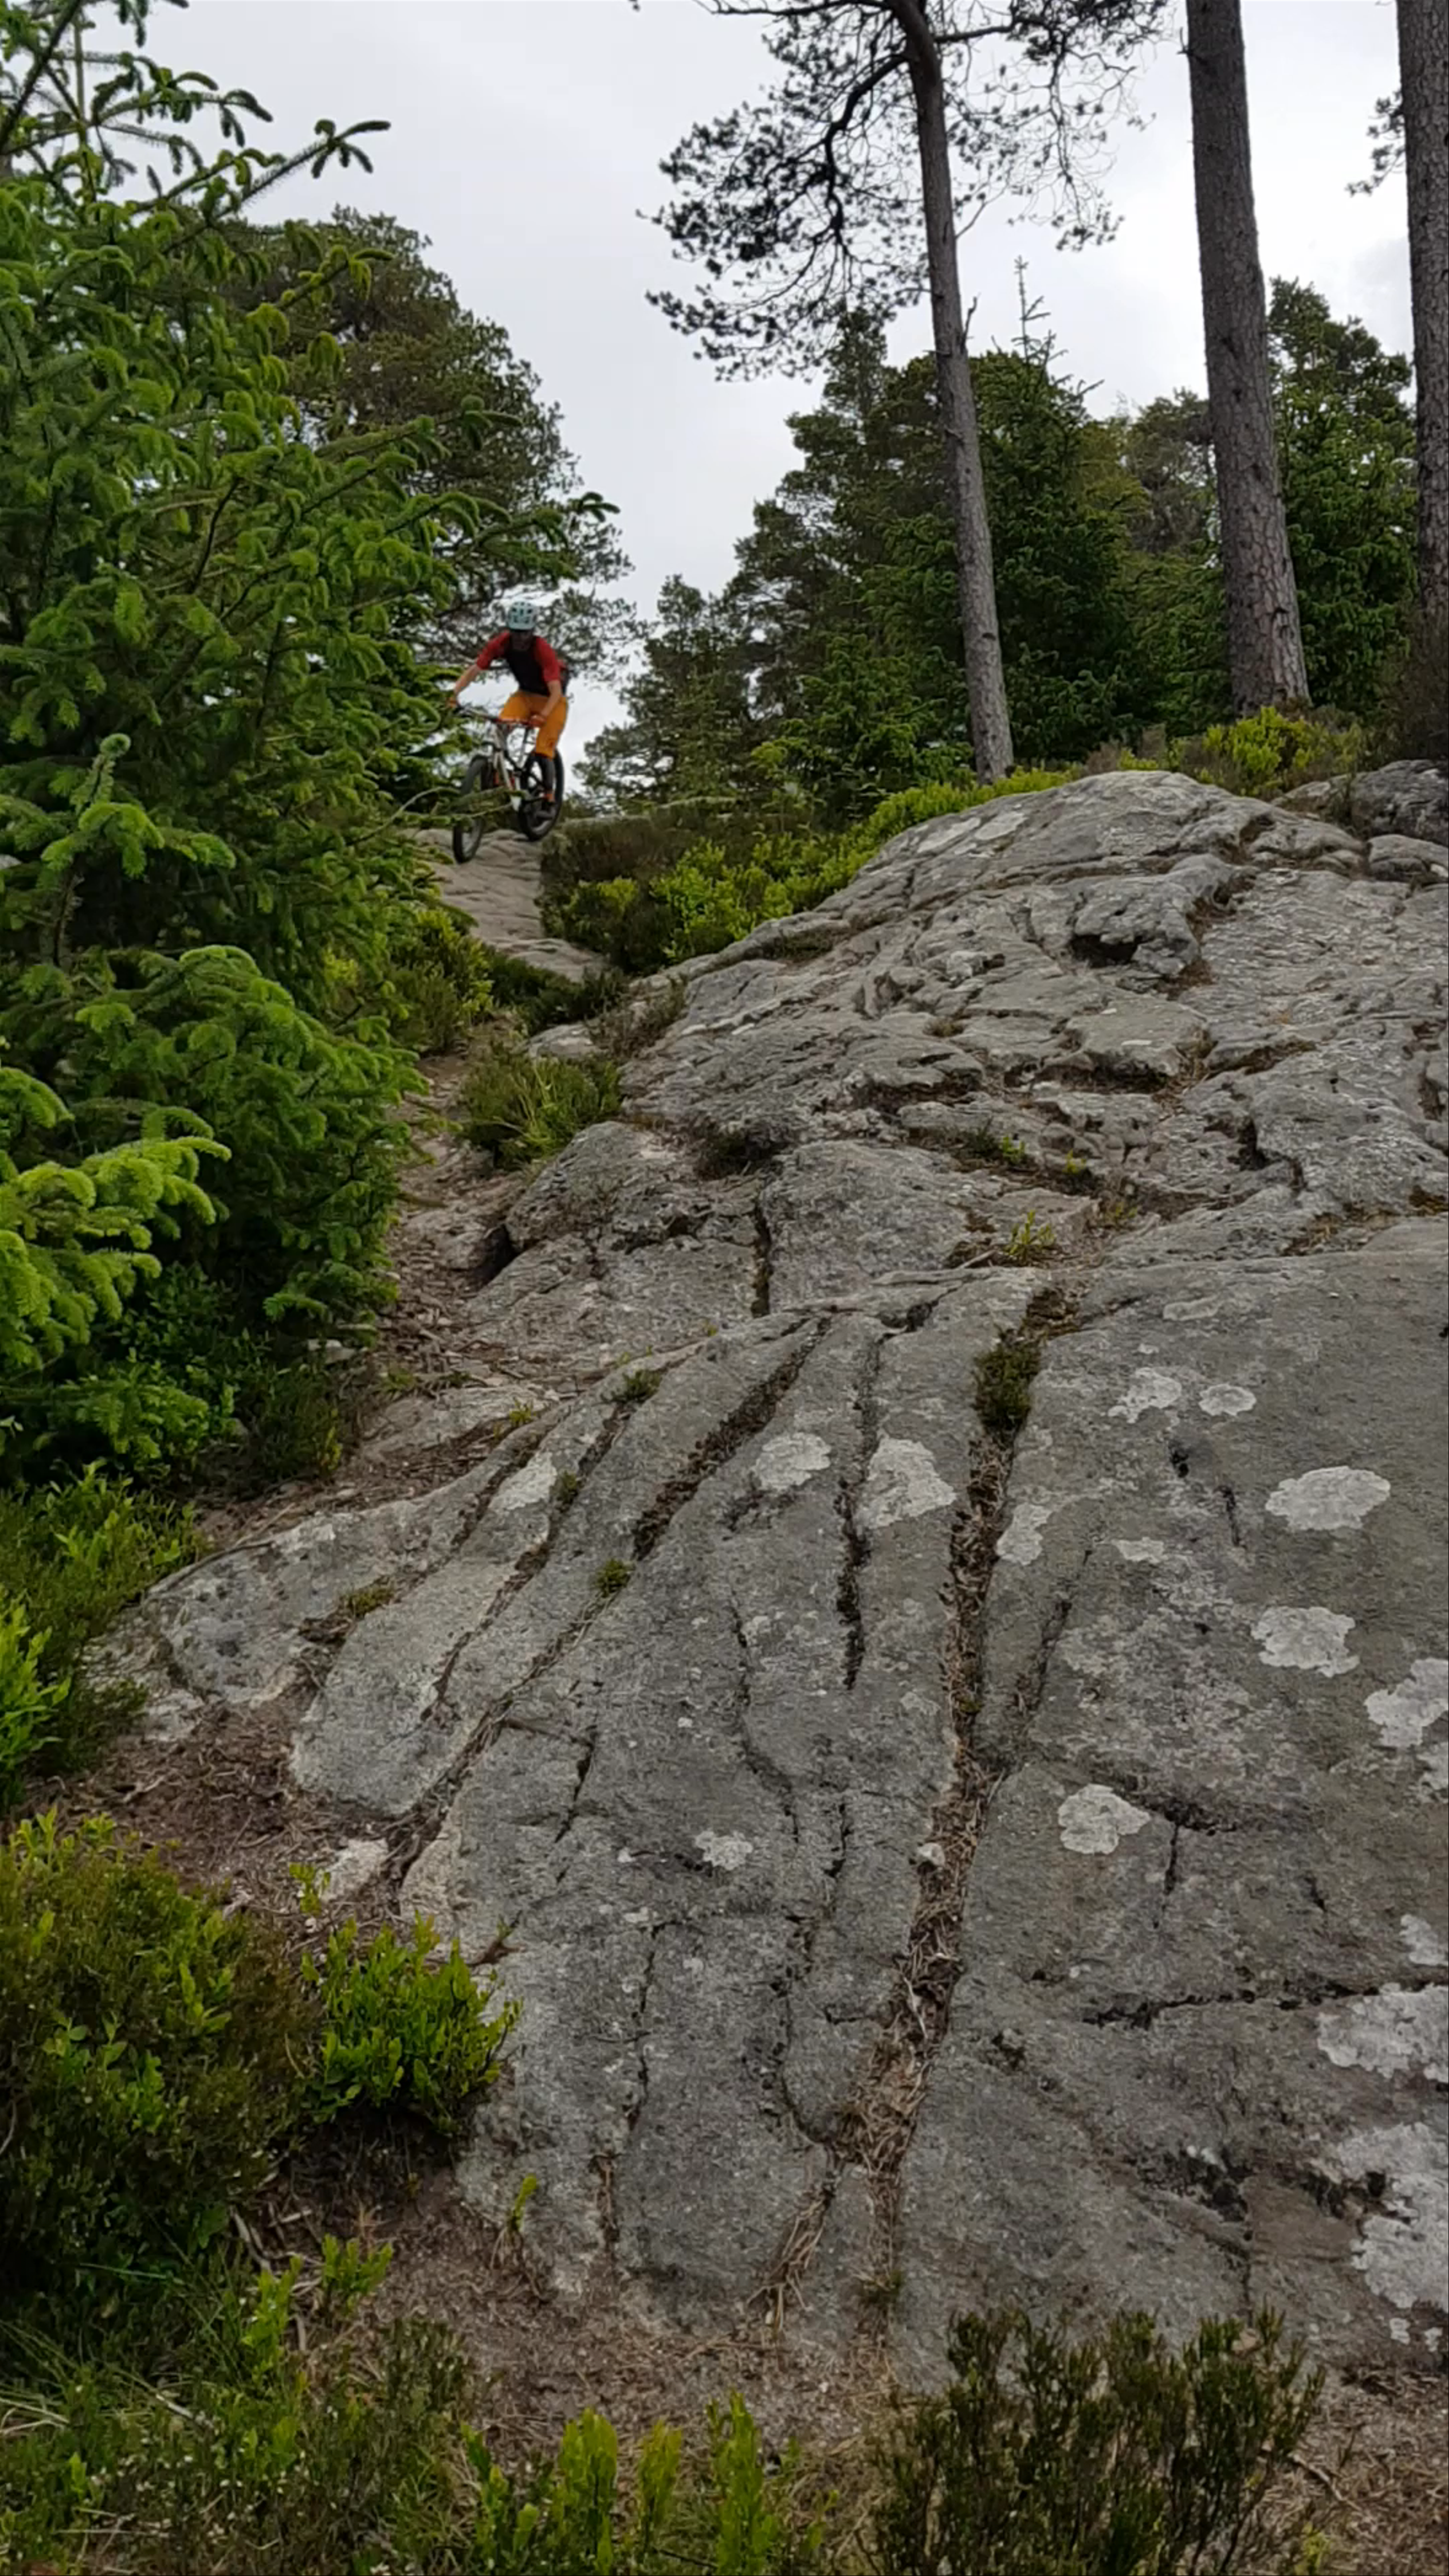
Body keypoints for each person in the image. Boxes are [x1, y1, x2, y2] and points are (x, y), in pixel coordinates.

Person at [449, 599, 569, 806]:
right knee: (500, 728)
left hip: (553, 702)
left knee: (543, 751)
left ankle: (549, 794)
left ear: (532, 631)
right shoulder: (501, 644)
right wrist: (454, 694)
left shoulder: (542, 649)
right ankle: (499, 773)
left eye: (525, 633)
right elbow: (475, 670)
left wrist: (543, 716)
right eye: (516, 632)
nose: (520, 638)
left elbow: (556, 691)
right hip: (524, 696)